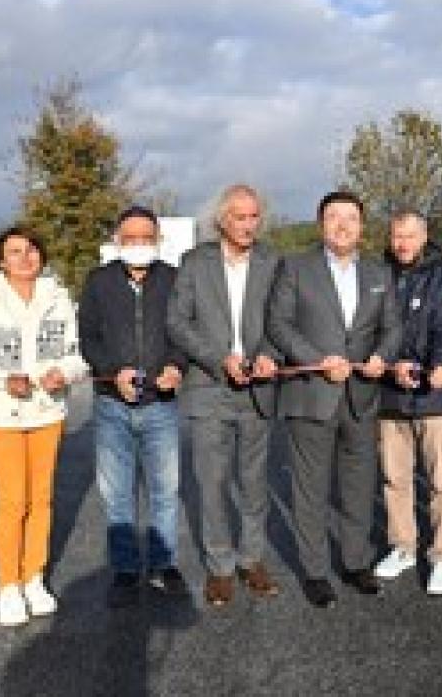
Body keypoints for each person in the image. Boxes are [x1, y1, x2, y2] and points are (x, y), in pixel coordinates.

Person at [267, 191, 402, 608]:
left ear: (362, 226)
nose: (342, 225)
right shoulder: (295, 268)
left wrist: (382, 356)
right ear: (321, 223)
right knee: (310, 489)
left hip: (361, 397)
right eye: (333, 217)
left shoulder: (379, 273)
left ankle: (355, 562)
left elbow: (392, 328)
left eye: (351, 218)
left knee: (359, 486)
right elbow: (279, 325)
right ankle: (314, 571)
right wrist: (315, 359)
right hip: (312, 395)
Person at [0, 226, 87, 625]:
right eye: (14, 252)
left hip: (47, 411)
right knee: (13, 500)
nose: (25, 258)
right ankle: (8, 586)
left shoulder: (59, 299)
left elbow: (78, 356)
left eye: (31, 250)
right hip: (2, 413)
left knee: (41, 499)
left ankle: (34, 578)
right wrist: (1, 379)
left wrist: (64, 372)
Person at [167, 184, 282, 607]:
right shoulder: (194, 263)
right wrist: (219, 359)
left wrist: (270, 354)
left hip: (258, 390)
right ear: (221, 220)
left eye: (254, 217)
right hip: (208, 387)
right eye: (240, 217)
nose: (248, 225)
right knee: (211, 482)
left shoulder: (274, 262)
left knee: (254, 482)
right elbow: (179, 324)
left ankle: (251, 559)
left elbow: (283, 318)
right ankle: (219, 566)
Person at [78, 206, 189, 607]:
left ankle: (164, 564)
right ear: (117, 241)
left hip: (161, 402)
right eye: (130, 238)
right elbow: (88, 337)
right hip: (112, 404)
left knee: (165, 489)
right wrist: (112, 372)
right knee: (117, 493)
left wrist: (176, 366)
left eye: (146, 237)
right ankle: (125, 570)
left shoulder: (175, 280)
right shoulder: (98, 282)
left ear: (158, 241)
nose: (138, 245)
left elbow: (185, 331)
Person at [372, 211, 442, 596]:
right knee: (395, 479)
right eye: (397, 236)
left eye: (410, 236)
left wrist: (440, 363)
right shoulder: (378, 276)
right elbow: (371, 329)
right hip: (391, 395)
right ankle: (403, 546)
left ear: (424, 237)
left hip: (435, 396)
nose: (402, 244)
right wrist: (392, 365)